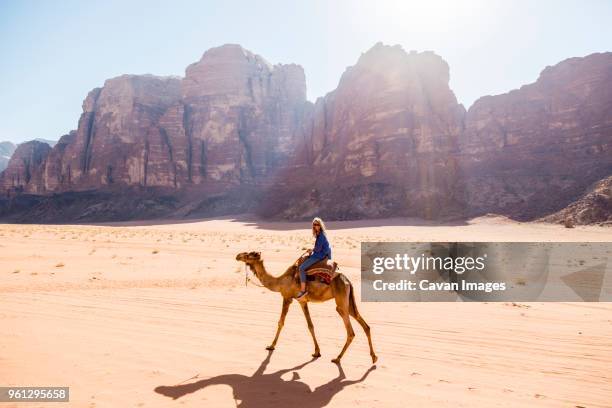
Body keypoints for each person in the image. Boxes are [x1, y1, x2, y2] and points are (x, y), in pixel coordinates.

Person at [296, 217, 332, 299]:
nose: (316, 226)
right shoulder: (319, 234)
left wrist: (311, 250)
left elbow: (318, 249)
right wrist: (312, 250)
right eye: (314, 224)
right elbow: (318, 247)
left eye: (318, 224)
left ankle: (303, 290)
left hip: (320, 255)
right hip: (321, 253)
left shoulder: (321, 235)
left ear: (320, 225)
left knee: (301, 268)